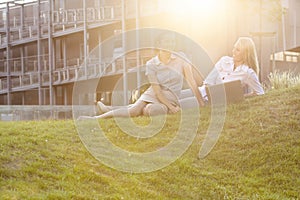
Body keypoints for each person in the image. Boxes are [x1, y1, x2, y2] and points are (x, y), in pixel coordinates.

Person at [78, 32, 205, 120]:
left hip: (171, 96)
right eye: (167, 41)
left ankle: (109, 109)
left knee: (151, 110)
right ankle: (95, 118)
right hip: (155, 94)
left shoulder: (182, 58)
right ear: (159, 44)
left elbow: (191, 81)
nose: (170, 44)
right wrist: (171, 108)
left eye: (172, 41)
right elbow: (157, 91)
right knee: (134, 111)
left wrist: (201, 102)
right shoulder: (151, 64)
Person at [179, 37, 264, 108]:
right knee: (173, 96)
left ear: (245, 53)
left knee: (179, 104)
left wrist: (241, 97)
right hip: (201, 91)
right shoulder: (224, 60)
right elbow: (208, 81)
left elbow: (260, 93)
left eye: (237, 50)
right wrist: (201, 95)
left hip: (209, 101)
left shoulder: (248, 72)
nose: (233, 51)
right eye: (234, 48)